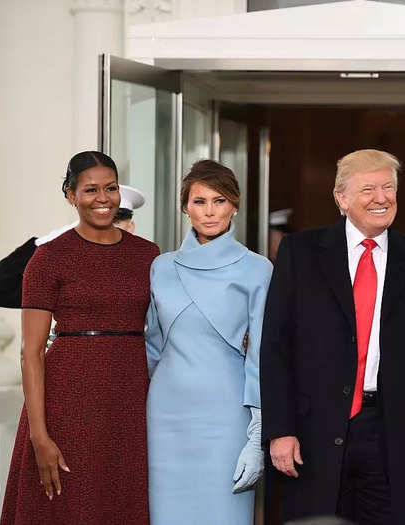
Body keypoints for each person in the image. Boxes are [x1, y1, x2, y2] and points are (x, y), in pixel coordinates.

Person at [260, 149, 405, 524]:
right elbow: (277, 348)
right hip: (313, 431)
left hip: (396, 430)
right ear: (341, 197)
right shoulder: (300, 253)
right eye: (368, 189)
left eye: (389, 188)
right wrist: (280, 430)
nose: (381, 198)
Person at [0, 151, 159, 525]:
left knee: (120, 500)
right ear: (71, 196)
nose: (102, 198)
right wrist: (40, 435)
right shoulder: (48, 258)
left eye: (110, 188)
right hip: (66, 401)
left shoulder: (148, 255)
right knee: (67, 505)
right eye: (90, 190)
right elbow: (32, 353)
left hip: (129, 400)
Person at [145, 160, 272, 525]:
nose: (210, 211)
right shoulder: (161, 267)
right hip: (165, 417)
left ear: (235, 205)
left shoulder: (257, 268)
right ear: (185, 206)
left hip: (227, 417)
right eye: (199, 201)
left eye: (219, 201)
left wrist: (257, 435)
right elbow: (152, 347)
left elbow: (261, 356)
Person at [0, 184, 146, 309]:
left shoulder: (145, 263)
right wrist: (45, 242)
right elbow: (3, 288)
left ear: (130, 227)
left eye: (115, 221)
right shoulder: (71, 265)